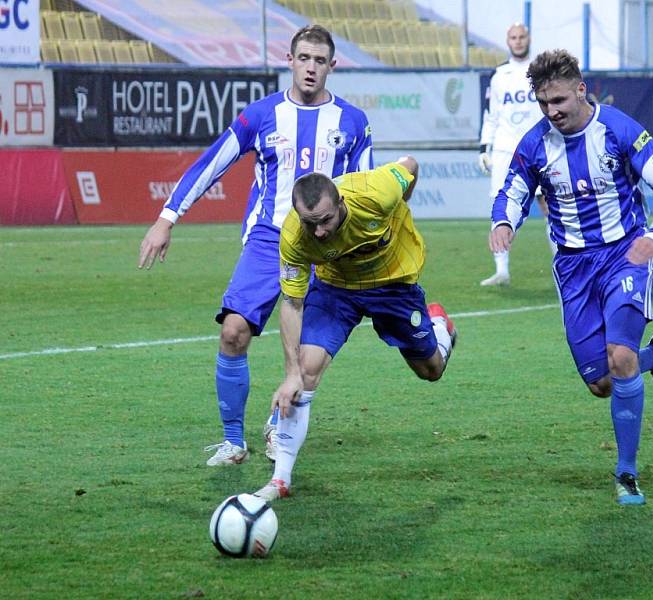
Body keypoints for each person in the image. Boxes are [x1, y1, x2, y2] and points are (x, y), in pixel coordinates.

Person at [137, 25, 373, 467]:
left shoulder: (353, 122)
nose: (311, 68)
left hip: (327, 245)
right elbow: (213, 163)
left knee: (308, 359)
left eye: (320, 61)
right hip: (268, 240)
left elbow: (365, 191)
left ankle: (277, 425)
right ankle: (232, 441)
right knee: (233, 332)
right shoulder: (261, 115)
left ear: (332, 66)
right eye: (304, 58)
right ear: (290, 59)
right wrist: (167, 218)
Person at [489, 49, 653, 505]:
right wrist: (503, 223)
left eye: (558, 100)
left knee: (619, 358)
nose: (551, 111)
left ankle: (627, 472)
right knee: (601, 382)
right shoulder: (536, 143)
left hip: (625, 256)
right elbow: (513, 190)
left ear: (581, 89)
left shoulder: (618, 130)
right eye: (543, 103)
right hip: (574, 269)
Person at [252, 157, 457, 501]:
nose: (318, 231)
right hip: (336, 290)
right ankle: (280, 479)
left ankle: (440, 328)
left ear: (341, 203)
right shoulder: (294, 237)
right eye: (309, 222)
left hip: (394, 285)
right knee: (307, 370)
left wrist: (400, 208)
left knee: (431, 370)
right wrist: (290, 374)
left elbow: (411, 165)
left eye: (325, 220)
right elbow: (292, 303)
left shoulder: (377, 192)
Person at [478, 23, 551, 287]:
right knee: (502, 205)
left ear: (529, 39)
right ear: (507, 41)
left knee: (549, 206)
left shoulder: (542, 70)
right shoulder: (499, 75)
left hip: (539, 147)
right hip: (505, 149)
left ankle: (564, 263)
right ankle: (501, 270)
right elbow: (491, 115)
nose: (518, 41)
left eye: (522, 37)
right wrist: (484, 147)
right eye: (513, 37)